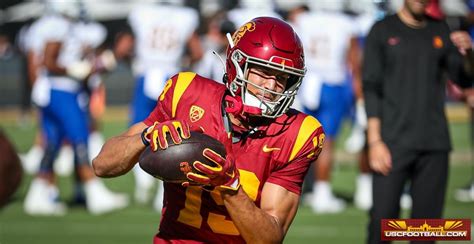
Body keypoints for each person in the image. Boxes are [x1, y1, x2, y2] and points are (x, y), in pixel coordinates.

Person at [93, 17, 325, 243]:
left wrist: (231, 186)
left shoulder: (297, 133)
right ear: (238, 65)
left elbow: (269, 239)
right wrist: (146, 137)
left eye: (283, 78)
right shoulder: (187, 94)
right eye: (264, 72)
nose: (272, 87)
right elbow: (102, 165)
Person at [362, 0, 474, 243]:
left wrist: (469, 53)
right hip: (392, 144)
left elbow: (465, 79)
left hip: (434, 144)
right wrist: (375, 141)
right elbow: (371, 88)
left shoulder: (440, 29)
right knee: (382, 225)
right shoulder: (381, 30)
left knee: (425, 231)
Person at [23, 2, 128, 216]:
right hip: (62, 90)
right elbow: (49, 62)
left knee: (52, 142)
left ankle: (37, 194)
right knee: (81, 139)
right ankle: (93, 192)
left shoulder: (53, 25)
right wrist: (72, 69)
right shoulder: (58, 25)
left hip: (52, 90)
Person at [127, 0, 203, 210]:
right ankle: (163, 189)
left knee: (138, 131)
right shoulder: (185, 16)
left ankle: (142, 182)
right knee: (173, 135)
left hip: (145, 76)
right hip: (172, 79)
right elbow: (197, 52)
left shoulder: (141, 12)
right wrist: (185, 65)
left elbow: (125, 46)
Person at [293, 0, 360, 213]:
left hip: (307, 83)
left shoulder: (303, 19)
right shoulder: (345, 23)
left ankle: (298, 188)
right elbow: (353, 60)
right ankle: (322, 192)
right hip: (332, 83)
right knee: (327, 141)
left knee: (301, 138)